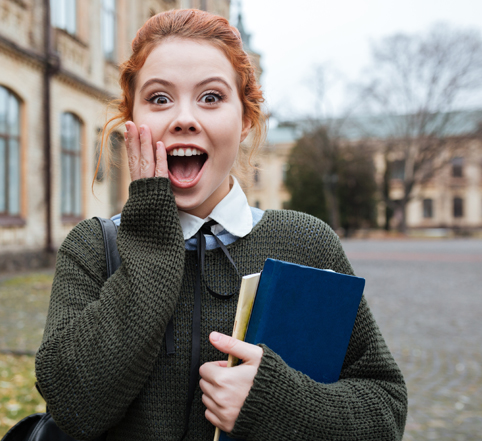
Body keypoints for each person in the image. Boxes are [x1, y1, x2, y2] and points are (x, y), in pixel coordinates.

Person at [35, 9, 407, 441]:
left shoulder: (306, 243)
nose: (184, 118)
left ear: (246, 119)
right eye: (159, 99)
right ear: (130, 118)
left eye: (211, 97)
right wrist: (152, 244)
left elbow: (384, 412)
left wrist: (274, 404)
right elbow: (72, 407)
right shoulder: (94, 248)